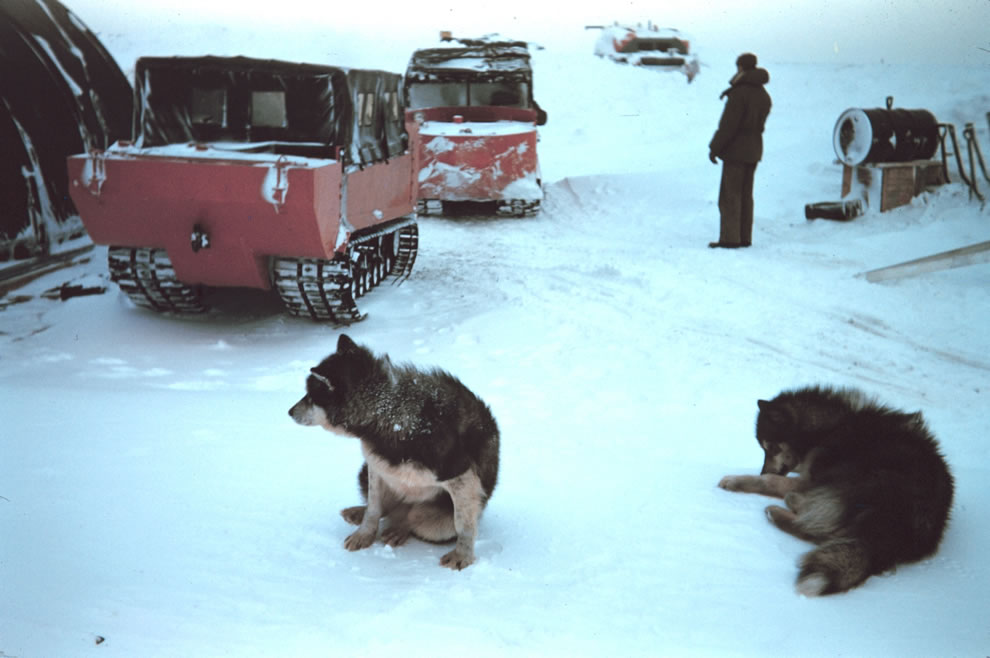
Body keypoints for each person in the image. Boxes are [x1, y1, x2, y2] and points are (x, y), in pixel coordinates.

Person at [708, 53, 772, 248]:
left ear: (741, 67)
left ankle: (730, 239)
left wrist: (714, 147)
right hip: (754, 149)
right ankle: (744, 238)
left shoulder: (738, 93)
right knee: (746, 195)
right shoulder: (763, 95)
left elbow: (728, 125)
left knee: (730, 195)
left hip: (736, 150)